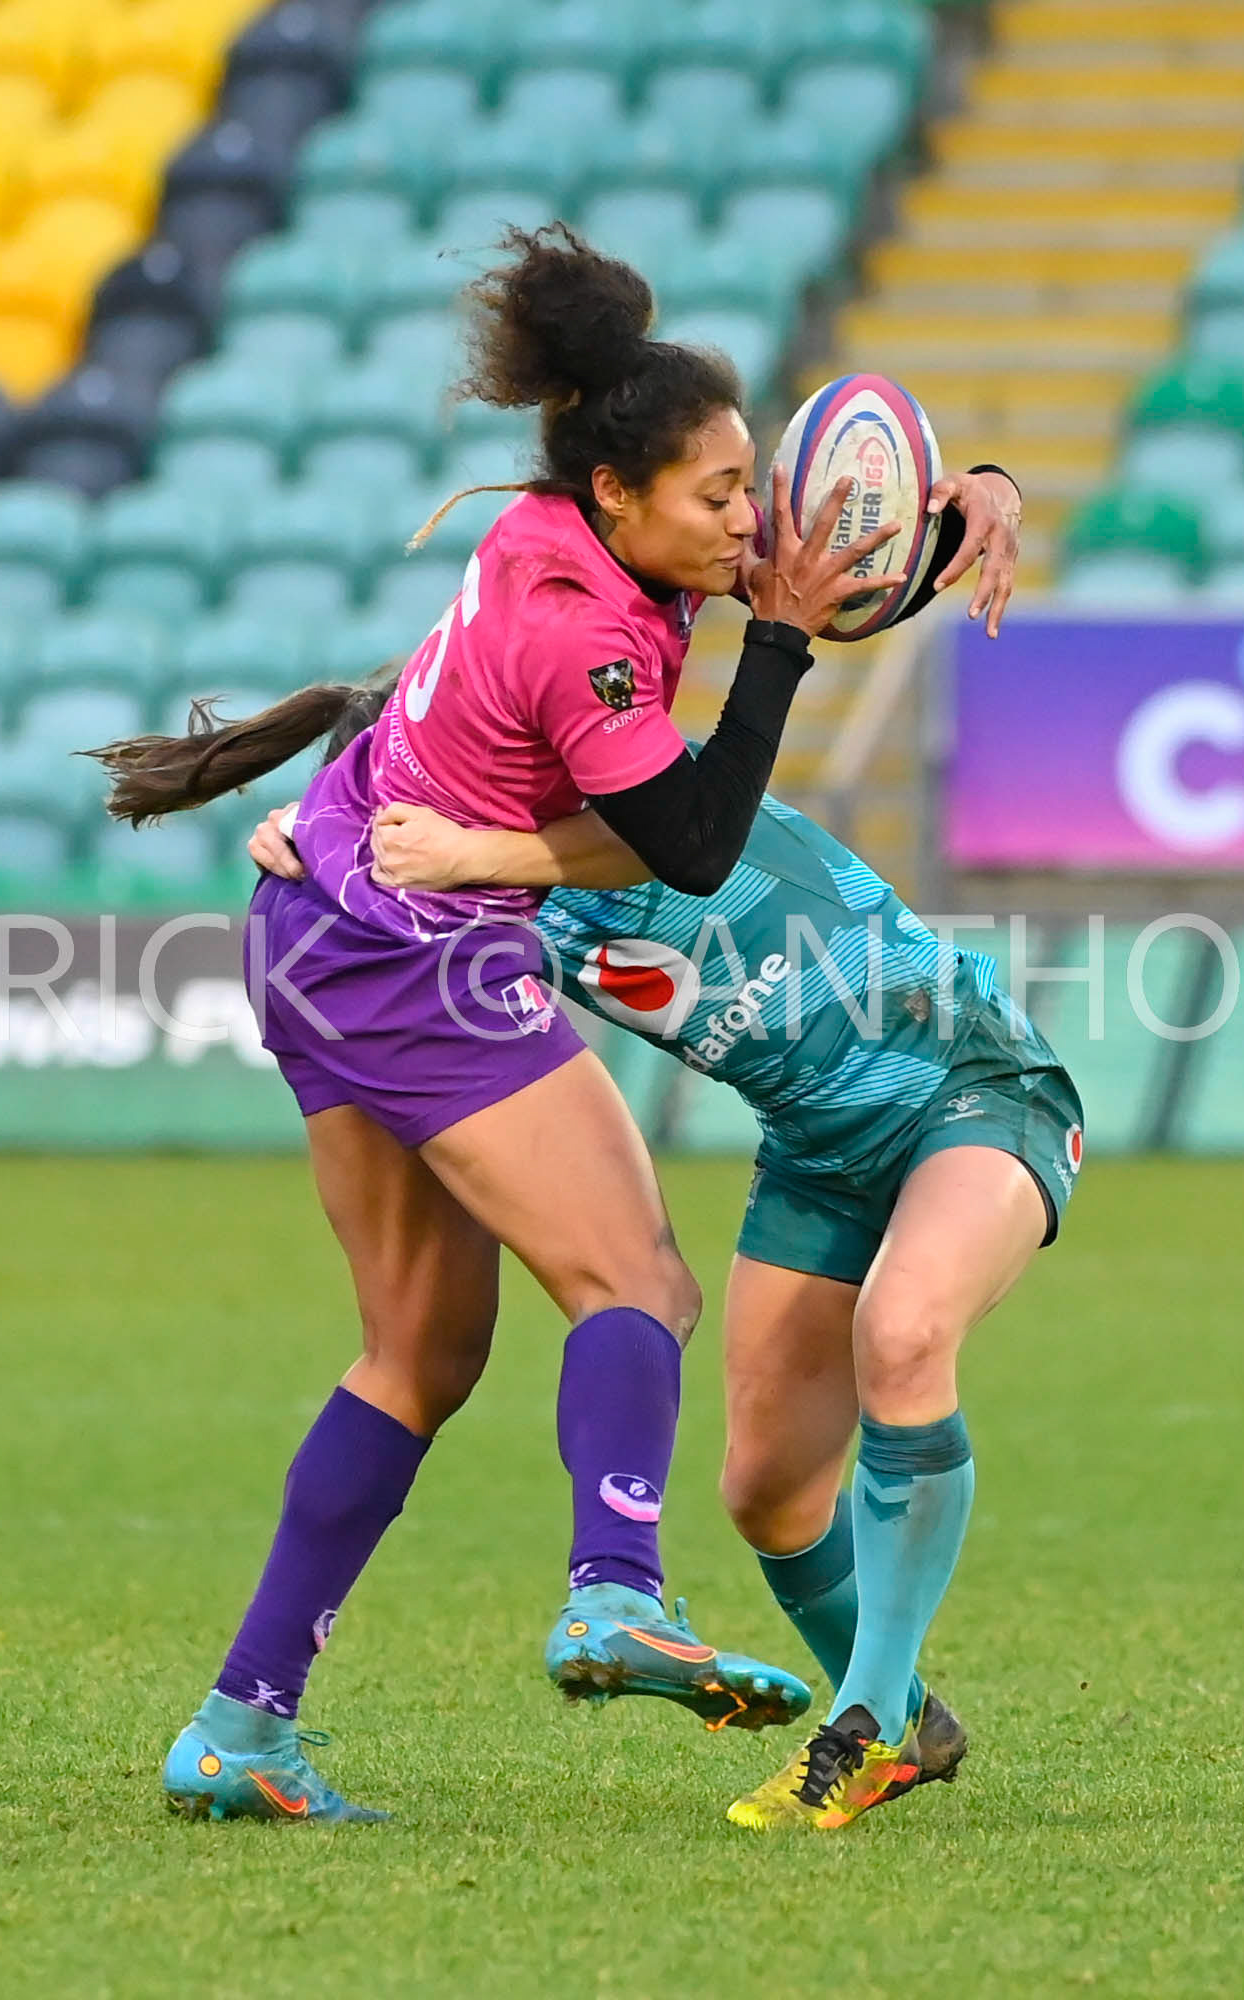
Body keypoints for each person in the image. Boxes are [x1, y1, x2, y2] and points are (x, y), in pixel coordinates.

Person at [83, 224, 911, 1826]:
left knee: (417, 1353)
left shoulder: (551, 527)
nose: (748, 518)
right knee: (635, 1280)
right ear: (619, 497)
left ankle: (239, 1735)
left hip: (311, 927)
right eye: (720, 494)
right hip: (418, 961)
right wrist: (782, 648)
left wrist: (975, 497)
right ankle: (613, 1585)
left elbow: (562, 734)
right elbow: (686, 845)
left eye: (748, 484)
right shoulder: (587, 632)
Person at [244, 672, 1081, 1833]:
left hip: (971, 1088)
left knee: (903, 1332)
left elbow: (641, 811)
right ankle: (918, 1717)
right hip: (815, 1155)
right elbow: (411, 953)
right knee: (769, 1493)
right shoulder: (495, 908)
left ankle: (866, 1722)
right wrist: (311, 850)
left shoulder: (637, 792)